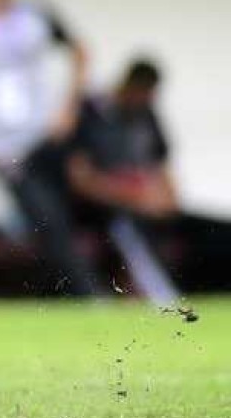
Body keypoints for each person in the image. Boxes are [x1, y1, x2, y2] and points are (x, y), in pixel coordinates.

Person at [0, 0, 105, 296]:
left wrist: (68, 108)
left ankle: (84, 287)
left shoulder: (36, 14)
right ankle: (86, 294)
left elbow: (80, 51)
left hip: (44, 136)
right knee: (45, 217)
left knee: (74, 204)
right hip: (0, 144)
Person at [66, 59, 231, 296]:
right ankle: (161, 297)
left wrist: (167, 200)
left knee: (212, 231)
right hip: (105, 209)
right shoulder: (91, 113)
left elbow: (162, 167)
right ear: (129, 84)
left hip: (147, 207)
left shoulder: (146, 115)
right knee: (128, 228)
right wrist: (133, 197)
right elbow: (79, 178)